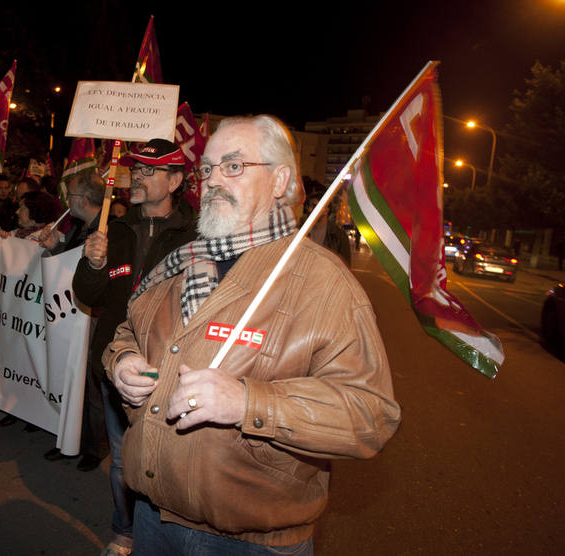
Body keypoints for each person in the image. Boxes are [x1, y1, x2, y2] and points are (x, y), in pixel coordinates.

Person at [104, 115, 400, 555]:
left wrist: (248, 402)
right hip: (153, 519)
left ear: (280, 180)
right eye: (207, 169)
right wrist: (122, 361)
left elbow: (370, 415)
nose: (214, 181)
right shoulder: (182, 261)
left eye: (234, 167)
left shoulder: (324, 282)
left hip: (251, 544)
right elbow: (128, 329)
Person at [72, 139, 198, 556]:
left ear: (176, 180)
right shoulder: (113, 229)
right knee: (125, 461)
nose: (137, 177)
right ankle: (124, 530)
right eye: (136, 170)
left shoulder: (199, 234)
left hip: (173, 370)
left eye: (149, 170)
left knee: (171, 461)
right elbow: (89, 295)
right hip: (116, 367)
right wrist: (92, 264)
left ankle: (169, 534)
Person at [39, 172, 109, 469]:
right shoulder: (82, 228)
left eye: (70, 197)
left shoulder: (106, 231)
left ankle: (96, 447)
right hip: (74, 313)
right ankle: (72, 439)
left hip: (94, 319)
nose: (67, 202)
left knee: (92, 388)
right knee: (73, 382)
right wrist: (56, 246)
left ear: (80, 200)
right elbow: (69, 270)